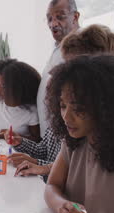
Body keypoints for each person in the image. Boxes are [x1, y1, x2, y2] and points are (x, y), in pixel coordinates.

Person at [13, 24, 114, 177]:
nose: (64, 74)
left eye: (74, 66)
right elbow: (49, 153)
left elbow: (83, 172)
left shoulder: (109, 132)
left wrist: (40, 165)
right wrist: (23, 145)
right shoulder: (65, 110)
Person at [44, 55, 114, 213]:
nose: (66, 116)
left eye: (78, 109)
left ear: (107, 109)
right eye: (62, 105)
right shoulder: (73, 144)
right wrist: (60, 205)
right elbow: (52, 186)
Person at [37, 0, 80, 137]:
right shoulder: (58, 47)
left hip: (67, 135)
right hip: (50, 137)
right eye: (50, 19)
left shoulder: (81, 47)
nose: (53, 24)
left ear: (75, 17)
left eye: (60, 17)